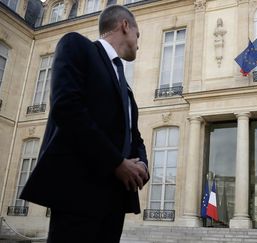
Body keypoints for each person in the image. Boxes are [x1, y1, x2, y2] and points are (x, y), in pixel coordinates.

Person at [20, 5, 149, 243]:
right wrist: (117, 163)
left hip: (115, 202)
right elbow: (66, 108)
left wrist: (142, 165)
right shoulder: (76, 45)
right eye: (138, 35)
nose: (138, 43)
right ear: (124, 26)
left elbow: (135, 135)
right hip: (78, 195)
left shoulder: (126, 89)